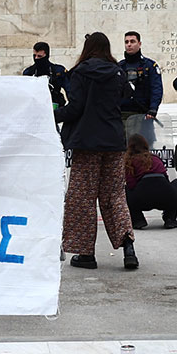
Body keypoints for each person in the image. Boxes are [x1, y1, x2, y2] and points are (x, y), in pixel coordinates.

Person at [56, 32, 137, 271]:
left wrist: (54, 114)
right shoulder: (118, 73)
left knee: (82, 197)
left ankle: (85, 254)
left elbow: (76, 108)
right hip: (113, 142)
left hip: (87, 143)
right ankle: (128, 246)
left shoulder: (81, 72)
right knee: (115, 195)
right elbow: (126, 98)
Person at [123, 133, 177, 230]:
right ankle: (170, 218)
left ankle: (138, 219)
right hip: (165, 197)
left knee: (123, 190)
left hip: (141, 200)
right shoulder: (155, 158)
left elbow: (131, 184)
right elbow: (166, 179)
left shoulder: (129, 161)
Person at [118, 31, 163, 147]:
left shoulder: (149, 66)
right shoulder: (119, 67)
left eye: (132, 41)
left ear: (139, 43)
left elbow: (156, 89)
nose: (129, 44)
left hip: (143, 115)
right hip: (122, 115)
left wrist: (153, 109)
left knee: (143, 150)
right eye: (126, 42)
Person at [24, 41, 67, 117]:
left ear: (46, 55)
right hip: (34, 111)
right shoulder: (29, 72)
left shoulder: (57, 71)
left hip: (53, 110)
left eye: (39, 56)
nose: (36, 58)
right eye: (34, 55)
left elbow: (70, 89)